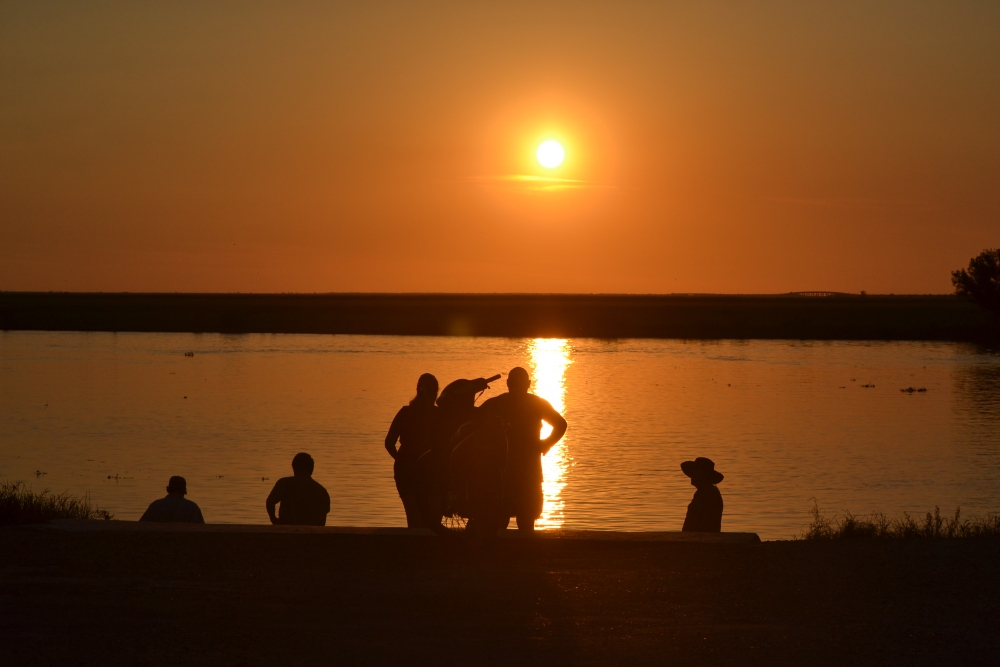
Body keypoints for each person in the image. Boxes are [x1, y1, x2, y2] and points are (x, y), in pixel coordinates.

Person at [479, 367, 566, 533]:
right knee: (525, 522)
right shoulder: (537, 404)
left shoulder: (498, 403)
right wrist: (545, 443)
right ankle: (526, 552)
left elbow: (473, 418)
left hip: (507, 471)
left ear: (508, 383)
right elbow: (561, 425)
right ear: (528, 384)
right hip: (525, 472)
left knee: (502, 520)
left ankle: (500, 553)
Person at [384, 373, 440, 527]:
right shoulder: (438, 415)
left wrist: (401, 460)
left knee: (413, 516)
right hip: (427, 470)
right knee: (432, 517)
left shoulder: (405, 412)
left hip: (405, 469)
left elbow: (389, 443)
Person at [266, 452, 331, 526]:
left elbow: (270, 502)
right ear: (312, 469)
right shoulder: (322, 491)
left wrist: (274, 520)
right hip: (314, 535)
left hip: (288, 533)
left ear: (294, 467)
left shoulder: (285, 483)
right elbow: (326, 510)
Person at [680, 457, 724, 532]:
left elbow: (705, 521)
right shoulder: (705, 491)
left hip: (701, 538)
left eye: (695, 472)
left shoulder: (708, 493)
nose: (692, 476)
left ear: (702, 475)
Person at [139, 476, 205, 523]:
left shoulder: (156, 505)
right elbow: (201, 528)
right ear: (185, 491)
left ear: (167, 489)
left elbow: (141, 525)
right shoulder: (192, 507)